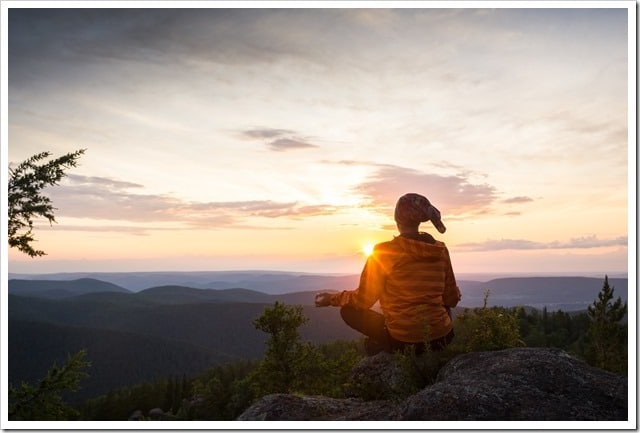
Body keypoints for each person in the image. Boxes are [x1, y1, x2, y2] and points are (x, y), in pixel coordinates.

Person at [315, 193, 461, 355]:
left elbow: (363, 300)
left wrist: (332, 298)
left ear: (397, 219)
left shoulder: (384, 252)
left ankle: (386, 343)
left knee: (348, 311)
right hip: (443, 338)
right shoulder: (440, 250)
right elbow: (451, 298)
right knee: (443, 306)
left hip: (405, 341)